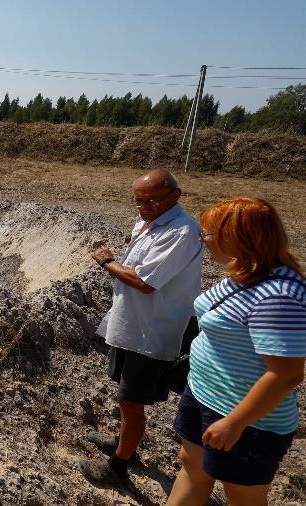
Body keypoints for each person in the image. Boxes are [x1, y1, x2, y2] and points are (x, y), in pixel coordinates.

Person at [166, 197, 305, 506]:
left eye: (209, 232)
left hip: (248, 420)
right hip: (206, 395)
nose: (203, 238)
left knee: (243, 496)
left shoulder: (278, 296)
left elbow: (286, 374)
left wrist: (235, 423)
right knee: (193, 468)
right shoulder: (244, 273)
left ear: (238, 238)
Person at [80, 169, 204, 483]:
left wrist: (107, 263)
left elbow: (145, 282)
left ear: (175, 196)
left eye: (151, 201)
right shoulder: (147, 223)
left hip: (152, 331)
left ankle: (119, 466)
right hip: (131, 324)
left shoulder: (182, 231)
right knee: (125, 395)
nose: (143, 207)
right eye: (138, 202)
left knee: (132, 401)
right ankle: (125, 444)